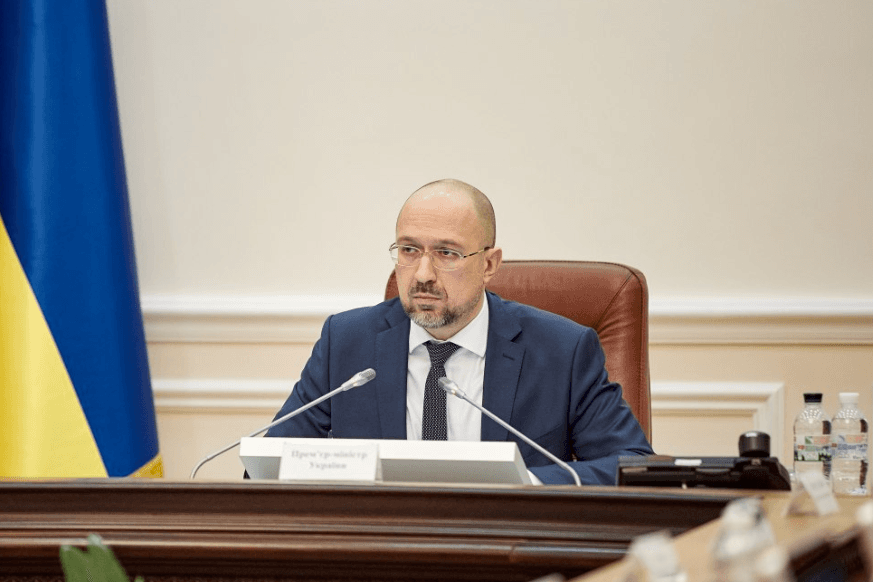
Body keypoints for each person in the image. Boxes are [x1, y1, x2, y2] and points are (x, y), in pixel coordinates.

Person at [265, 179, 653, 485]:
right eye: (409, 250)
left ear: (489, 265)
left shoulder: (561, 351)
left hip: (507, 547)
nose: (422, 275)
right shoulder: (347, 342)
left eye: (447, 253)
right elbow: (269, 465)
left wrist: (523, 485)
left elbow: (632, 467)